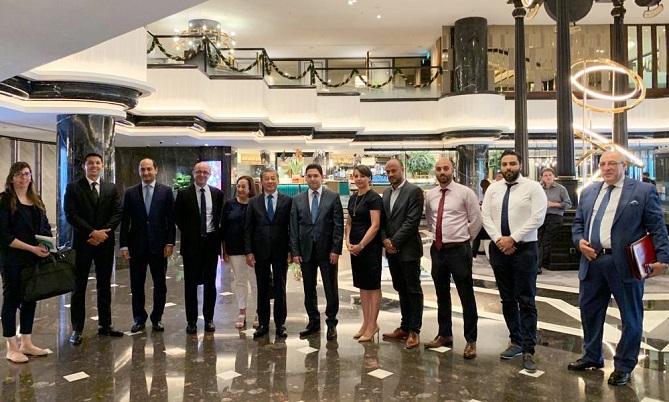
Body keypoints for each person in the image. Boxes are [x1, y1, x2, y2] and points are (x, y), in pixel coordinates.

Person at [570, 150, 669, 386]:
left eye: (612, 163)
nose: (607, 168)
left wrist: (663, 258)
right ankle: (592, 356)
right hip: (592, 262)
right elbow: (578, 224)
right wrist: (579, 241)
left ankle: (624, 365)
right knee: (589, 312)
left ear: (624, 165)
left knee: (631, 316)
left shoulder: (642, 191)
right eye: (603, 164)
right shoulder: (589, 192)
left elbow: (657, 227)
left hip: (625, 264)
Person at [481, 149, 546, 373]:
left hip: (524, 249)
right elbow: (485, 216)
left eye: (512, 164)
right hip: (499, 248)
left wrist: (513, 238)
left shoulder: (533, 188)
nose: (508, 167)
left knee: (526, 299)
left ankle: (529, 348)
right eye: (505, 164)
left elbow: (538, 217)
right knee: (507, 299)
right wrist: (499, 239)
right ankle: (516, 341)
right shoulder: (494, 189)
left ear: (520, 165)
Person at [424, 158, 483, 359]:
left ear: (453, 170)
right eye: (438, 169)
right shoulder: (431, 195)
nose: (442, 172)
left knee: (466, 295)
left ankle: (471, 340)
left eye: (446, 168)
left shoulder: (465, 193)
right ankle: (445, 334)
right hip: (438, 250)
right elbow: (430, 219)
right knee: (441, 294)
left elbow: (477, 220)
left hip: (459, 250)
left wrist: (464, 238)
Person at [64, 152, 123, 345]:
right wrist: (92, 232)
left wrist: (103, 234)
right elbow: (71, 215)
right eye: (90, 163)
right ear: (84, 166)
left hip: (104, 244)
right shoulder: (73, 188)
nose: (94, 166)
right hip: (83, 243)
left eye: (98, 163)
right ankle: (77, 329)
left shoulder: (111, 188)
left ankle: (105, 325)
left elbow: (117, 213)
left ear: (102, 166)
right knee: (78, 286)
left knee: (104, 285)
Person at [0, 162, 51, 363]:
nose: (24, 178)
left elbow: (45, 227)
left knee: (30, 298)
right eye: (19, 174)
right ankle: (11, 347)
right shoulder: (5, 200)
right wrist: (31, 248)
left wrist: (46, 244)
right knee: (11, 299)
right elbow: (3, 234)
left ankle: (26, 342)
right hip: (12, 258)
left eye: (27, 174)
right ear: (11, 178)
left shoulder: (36, 200)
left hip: (33, 258)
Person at [119, 158, 175, 333]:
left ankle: (157, 318)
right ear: (139, 171)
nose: (146, 172)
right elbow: (124, 221)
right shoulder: (130, 192)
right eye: (142, 169)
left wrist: (170, 242)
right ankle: (139, 318)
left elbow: (171, 219)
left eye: (149, 169)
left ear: (156, 170)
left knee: (160, 284)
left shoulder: (166, 192)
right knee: (136, 285)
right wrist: (123, 245)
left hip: (159, 246)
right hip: (136, 246)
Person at [290, 164, 344, 340]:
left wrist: (336, 249)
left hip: (327, 251)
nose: (312, 179)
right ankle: (313, 321)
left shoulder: (333, 197)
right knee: (309, 288)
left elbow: (338, 226)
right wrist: (295, 251)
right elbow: (293, 228)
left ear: (322, 177)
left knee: (330, 288)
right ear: (305, 178)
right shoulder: (297, 200)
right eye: (309, 176)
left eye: (316, 175)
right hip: (306, 251)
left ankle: (331, 323)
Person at [174, 162, 225, 334]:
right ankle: (191, 321)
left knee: (210, 283)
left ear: (210, 175)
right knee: (190, 285)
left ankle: (209, 319)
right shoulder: (183, 194)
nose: (202, 175)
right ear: (193, 173)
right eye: (199, 172)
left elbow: (218, 218)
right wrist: (191, 233)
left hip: (211, 243)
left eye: (205, 172)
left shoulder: (217, 194)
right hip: (191, 245)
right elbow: (178, 218)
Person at [380, 159, 425, 349]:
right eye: (388, 172)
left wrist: (394, 242)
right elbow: (383, 221)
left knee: (413, 290)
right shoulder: (386, 193)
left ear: (402, 170)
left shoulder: (414, 192)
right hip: (392, 251)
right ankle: (405, 326)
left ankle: (414, 330)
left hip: (408, 250)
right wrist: (384, 240)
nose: (391, 174)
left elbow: (411, 222)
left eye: (394, 171)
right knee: (400, 288)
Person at [245, 168, 292, 339]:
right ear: (261, 181)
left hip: (281, 250)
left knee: (280, 288)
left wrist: (291, 250)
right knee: (262, 287)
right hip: (260, 251)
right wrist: (248, 251)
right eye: (267, 179)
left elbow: (291, 227)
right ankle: (263, 323)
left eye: (273, 178)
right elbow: (248, 228)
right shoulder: (253, 202)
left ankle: (280, 324)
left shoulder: (288, 201)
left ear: (277, 180)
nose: (270, 181)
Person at [345, 165, 383, 342]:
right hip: (355, 247)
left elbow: (375, 225)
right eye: (356, 176)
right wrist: (347, 241)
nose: (359, 179)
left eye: (362, 176)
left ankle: (373, 324)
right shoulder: (353, 198)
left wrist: (361, 245)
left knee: (372, 285)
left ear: (369, 178)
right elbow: (349, 222)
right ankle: (366, 323)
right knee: (362, 285)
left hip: (369, 247)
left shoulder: (374, 198)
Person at [221, 175, 258, 329]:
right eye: (239, 186)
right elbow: (224, 227)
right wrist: (224, 250)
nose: (240, 189)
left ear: (250, 189)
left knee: (255, 281)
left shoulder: (256, 204)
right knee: (240, 281)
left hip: (254, 250)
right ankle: (242, 312)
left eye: (244, 187)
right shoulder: (229, 204)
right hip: (234, 248)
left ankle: (258, 312)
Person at [537, 167, 572, 274]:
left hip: (555, 216)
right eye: (545, 175)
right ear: (542, 178)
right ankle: (536, 263)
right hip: (541, 216)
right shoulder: (539, 188)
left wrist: (553, 204)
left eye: (550, 175)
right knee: (537, 240)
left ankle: (537, 265)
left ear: (554, 176)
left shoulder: (561, 189)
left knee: (546, 241)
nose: (548, 177)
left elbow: (568, 204)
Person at [472, 178, 491, 258]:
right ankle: (473, 253)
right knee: (476, 233)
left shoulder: (488, 193)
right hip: (488, 225)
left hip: (490, 228)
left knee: (476, 234)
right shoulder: (488, 193)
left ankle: (473, 254)